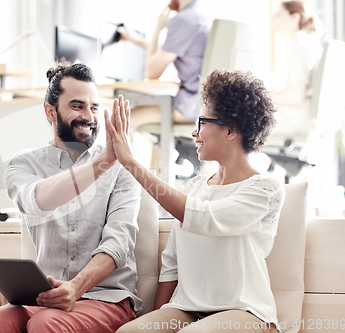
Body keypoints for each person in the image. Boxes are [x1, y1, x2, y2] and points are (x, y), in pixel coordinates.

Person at [106, 69, 286, 333]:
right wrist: (158, 320)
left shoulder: (265, 190)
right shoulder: (195, 186)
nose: (194, 132)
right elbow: (172, 263)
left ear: (231, 130)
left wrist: (132, 163)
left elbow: (206, 218)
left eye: (202, 122)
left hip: (245, 310)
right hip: (187, 308)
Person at [0, 63, 142, 333]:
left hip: (107, 297)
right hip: (48, 297)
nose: (89, 116)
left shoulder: (121, 166)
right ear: (50, 111)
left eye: (93, 107)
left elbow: (118, 243)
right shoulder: (23, 164)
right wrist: (102, 162)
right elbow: (34, 201)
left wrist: (76, 288)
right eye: (77, 106)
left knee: (46, 322)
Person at [119, 0, 211, 171]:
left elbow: (151, 72)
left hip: (189, 108)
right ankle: (155, 187)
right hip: (203, 106)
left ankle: (130, 186)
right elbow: (166, 51)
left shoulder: (183, 20)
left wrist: (158, 29)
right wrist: (135, 40)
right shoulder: (200, 18)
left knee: (124, 119)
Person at [269, 1, 323, 140]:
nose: (275, 20)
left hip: (297, 119)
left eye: (279, 15)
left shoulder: (299, 46)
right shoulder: (309, 42)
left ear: (295, 17)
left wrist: (268, 97)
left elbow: (297, 96)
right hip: (306, 117)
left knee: (241, 118)